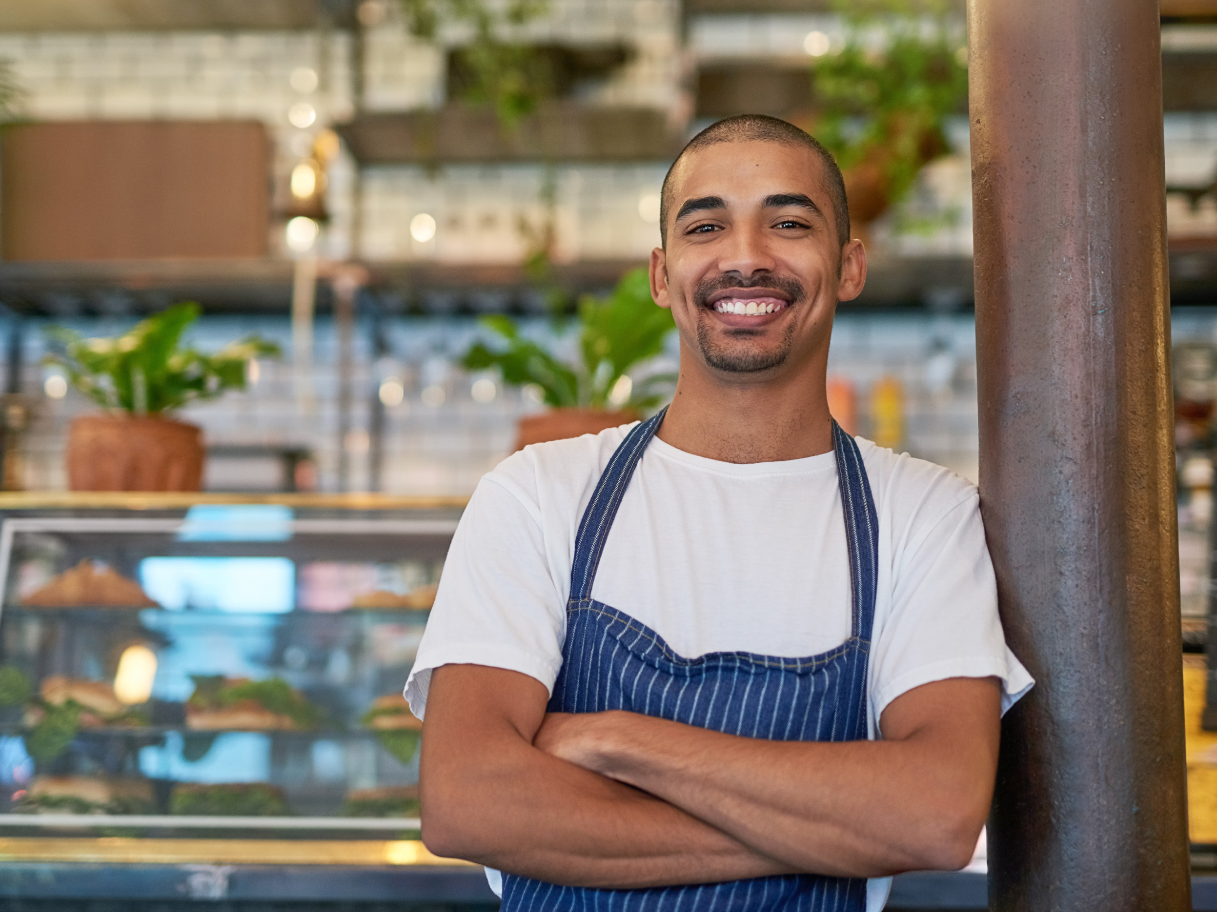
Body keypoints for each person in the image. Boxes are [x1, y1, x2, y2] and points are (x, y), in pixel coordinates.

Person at [405, 114, 1032, 912]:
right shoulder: (538, 495)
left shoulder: (922, 514)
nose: (746, 257)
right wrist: (819, 835)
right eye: (708, 226)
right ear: (663, 276)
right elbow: (466, 799)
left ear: (848, 266)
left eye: (789, 223)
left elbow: (936, 814)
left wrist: (617, 740)